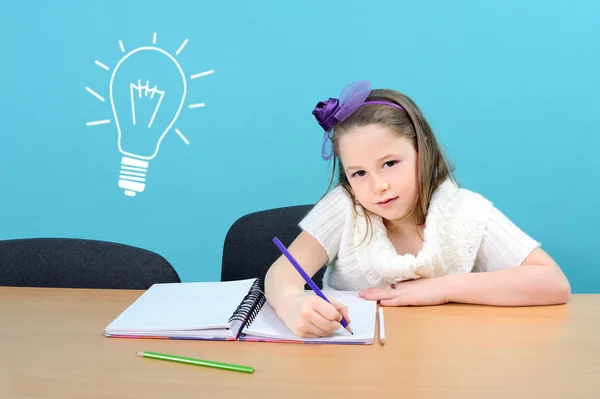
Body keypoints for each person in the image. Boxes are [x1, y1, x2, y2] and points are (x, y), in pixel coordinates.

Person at [264, 80, 570, 338]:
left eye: (390, 163)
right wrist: (292, 302)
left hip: (447, 359)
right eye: (359, 173)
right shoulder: (345, 208)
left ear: (422, 150)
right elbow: (281, 274)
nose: (378, 185)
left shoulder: (464, 212)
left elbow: (552, 282)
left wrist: (442, 289)